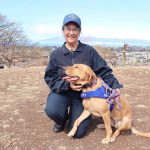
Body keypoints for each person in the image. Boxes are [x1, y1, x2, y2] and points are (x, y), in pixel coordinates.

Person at [44, 13, 123, 139]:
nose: (71, 32)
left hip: (83, 97)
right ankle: (61, 121)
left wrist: (115, 86)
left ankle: (75, 117)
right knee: (52, 110)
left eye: (75, 29)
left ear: (79, 31)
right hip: (62, 92)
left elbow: (103, 70)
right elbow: (50, 77)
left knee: (78, 133)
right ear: (63, 30)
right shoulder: (56, 54)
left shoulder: (89, 51)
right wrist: (67, 85)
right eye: (68, 29)